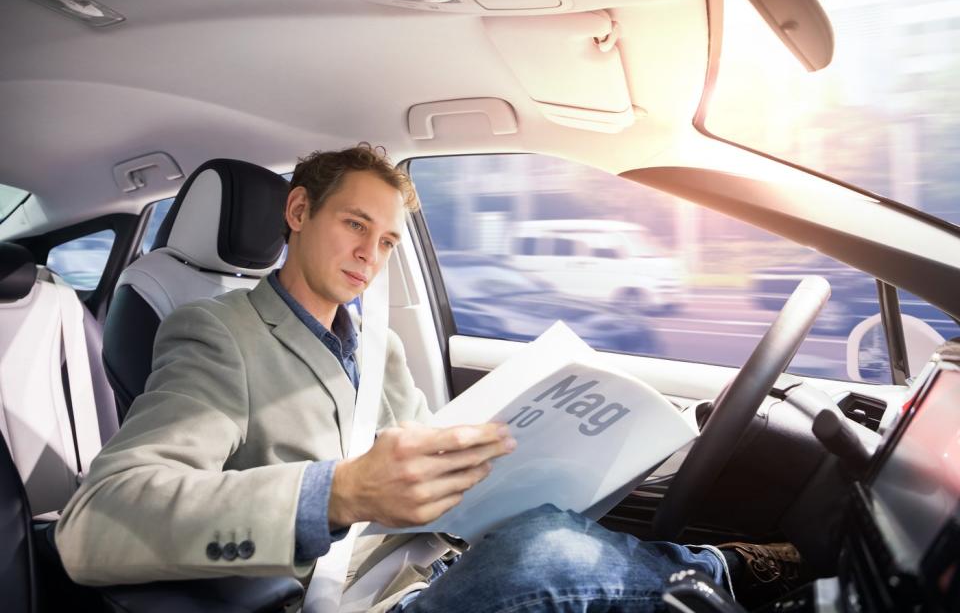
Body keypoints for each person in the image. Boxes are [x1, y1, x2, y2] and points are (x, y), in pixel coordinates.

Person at [56, 144, 801, 612]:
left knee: (547, 529)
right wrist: (336, 493)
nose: (370, 254)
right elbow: (97, 523)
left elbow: (433, 469)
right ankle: (722, 574)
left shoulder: (377, 347)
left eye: (384, 240)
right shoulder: (217, 333)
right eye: (354, 225)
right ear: (297, 210)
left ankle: (717, 580)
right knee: (546, 553)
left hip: (430, 566)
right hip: (334, 597)